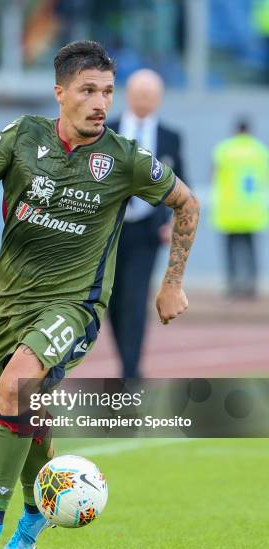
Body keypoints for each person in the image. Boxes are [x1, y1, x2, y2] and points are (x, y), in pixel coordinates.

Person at [0, 40, 199, 549]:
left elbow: (187, 203)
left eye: (107, 90)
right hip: (9, 304)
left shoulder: (125, 159)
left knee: (18, 383)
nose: (100, 101)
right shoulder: (21, 136)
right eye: (88, 90)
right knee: (24, 406)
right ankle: (37, 513)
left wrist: (172, 281)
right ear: (60, 93)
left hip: (74, 305)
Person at [107, 69, 186, 379]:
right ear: (128, 95)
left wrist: (171, 221)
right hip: (109, 231)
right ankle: (126, 361)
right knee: (112, 300)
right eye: (139, 94)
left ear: (159, 99)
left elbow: (183, 185)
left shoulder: (170, 137)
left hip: (146, 232)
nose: (144, 101)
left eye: (150, 96)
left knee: (136, 298)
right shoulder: (106, 131)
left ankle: (130, 370)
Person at [211, 119, 269, 298]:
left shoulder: (224, 149)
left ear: (235, 130)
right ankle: (251, 286)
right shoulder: (260, 151)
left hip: (229, 211)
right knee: (250, 250)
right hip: (252, 211)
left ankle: (232, 285)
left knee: (230, 251)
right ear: (250, 130)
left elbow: (214, 174)